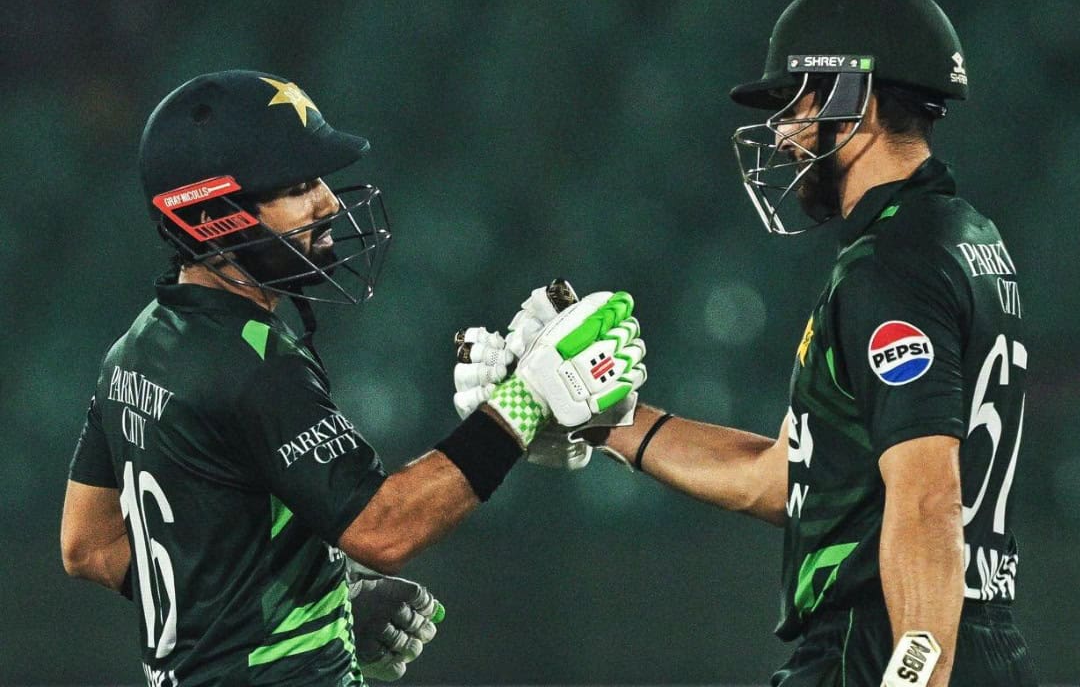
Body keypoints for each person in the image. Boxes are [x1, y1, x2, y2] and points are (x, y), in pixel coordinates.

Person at [467, 0, 1036, 686]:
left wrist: (916, 667)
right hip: (979, 640)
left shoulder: (890, 265)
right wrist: (605, 421)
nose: (785, 132)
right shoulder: (964, 237)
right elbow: (783, 480)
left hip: (880, 641)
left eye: (796, 100)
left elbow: (926, 494)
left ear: (849, 98)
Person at [60, 70, 647, 686]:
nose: (329, 203)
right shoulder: (252, 367)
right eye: (296, 186)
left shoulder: (134, 349)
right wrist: (525, 402)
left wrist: (312, 603)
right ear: (212, 216)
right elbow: (384, 528)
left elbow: (89, 544)